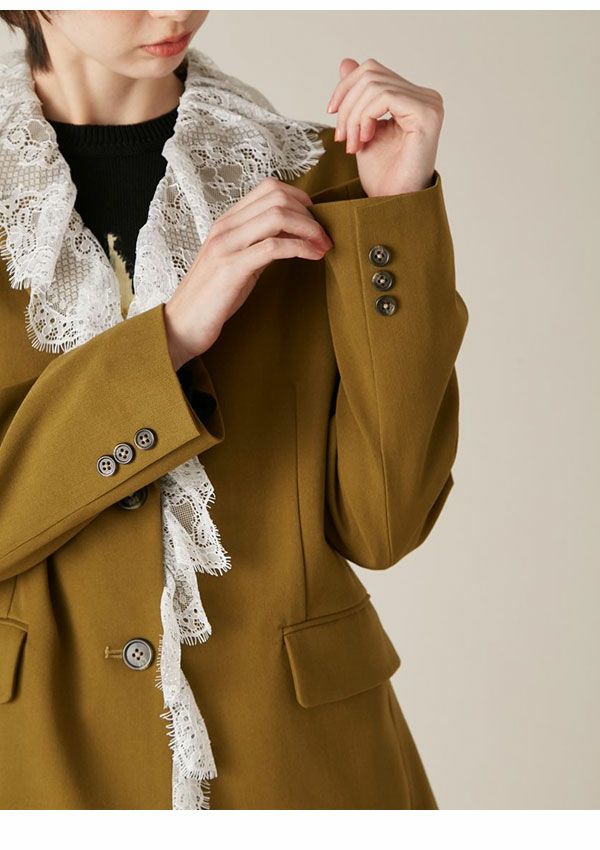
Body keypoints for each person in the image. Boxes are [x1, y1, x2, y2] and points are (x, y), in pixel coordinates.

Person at [0, 10, 468, 810]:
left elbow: (383, 524)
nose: (176, 9)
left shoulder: (323, 175)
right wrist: (170, 338)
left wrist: (394, 215)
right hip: (37, 762)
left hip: (296, 767)